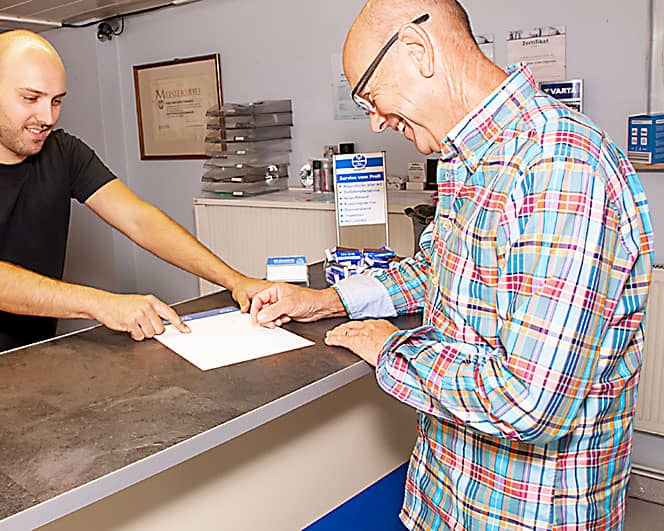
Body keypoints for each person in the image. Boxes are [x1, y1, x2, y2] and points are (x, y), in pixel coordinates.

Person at [251, 1, 654, 529]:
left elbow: (529, 402)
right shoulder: (471, 159)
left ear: (418, 52)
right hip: (448, 494)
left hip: (523, 513)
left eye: (371, 97)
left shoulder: (558, 166)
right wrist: (327, 299)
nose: (375, 120)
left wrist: (390, 350)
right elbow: (438, 269)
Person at [0, 30, 269, 374]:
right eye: (30, 98)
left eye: (56, 101)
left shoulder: (65, 152)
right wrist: (104, 304)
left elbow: (140, 220)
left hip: (37, 360)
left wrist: (234, 280)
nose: (46, 117)